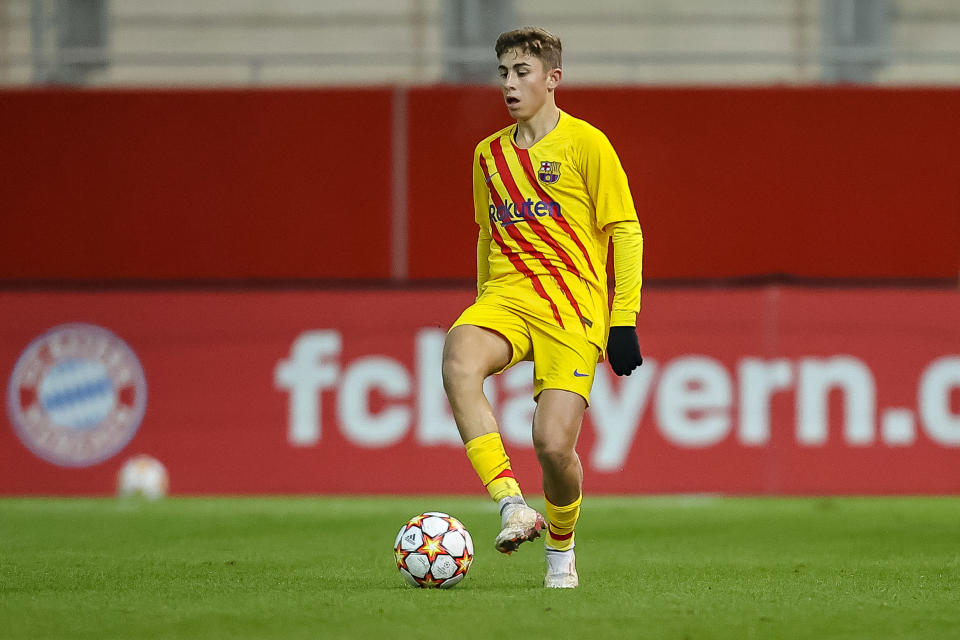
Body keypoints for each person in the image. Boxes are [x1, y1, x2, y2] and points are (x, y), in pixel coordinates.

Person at [441, 27, 644, 589]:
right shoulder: (488, 155)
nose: (509, 83)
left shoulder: (586, 144)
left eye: (521, 72)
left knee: (553, 447)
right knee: (459, 358)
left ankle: (560, 546)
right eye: (503, 73)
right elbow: (487, 234)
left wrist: (622, 318)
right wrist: (484, 297)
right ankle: (511, 505)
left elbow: (624, 231)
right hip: (507, 296)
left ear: (552, 79)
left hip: (572, 309)